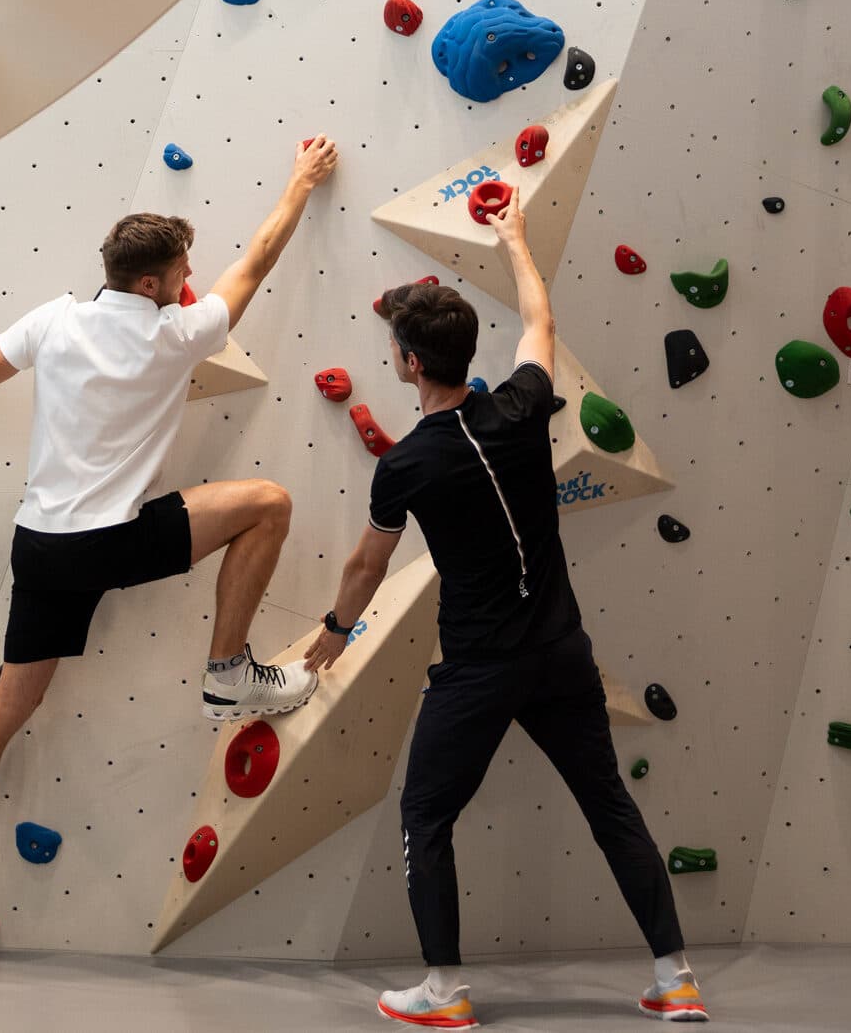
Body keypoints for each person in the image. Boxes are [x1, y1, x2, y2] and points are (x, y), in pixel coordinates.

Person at [0, 136, 341, 930]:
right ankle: (227, 672)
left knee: (9, 702)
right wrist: (300, 181)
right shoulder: (177, 333)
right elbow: (260, 257)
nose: (190, 281)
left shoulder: (54, 321)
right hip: (111, 540)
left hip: (39, 544)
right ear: (151, 283)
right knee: (269, 503)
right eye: (181, 272)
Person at [301, 187, 708, 1027]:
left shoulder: (404, 466)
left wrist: (337, 630)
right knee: (608, 805)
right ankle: (675, 979)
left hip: (480, 668)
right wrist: (514, 238)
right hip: (560, 653)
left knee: (425, 813)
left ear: (408, 363)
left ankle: (443, 992)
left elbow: (366, 563)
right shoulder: (523, 407)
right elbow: (538, 321)